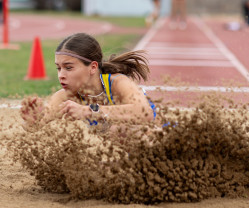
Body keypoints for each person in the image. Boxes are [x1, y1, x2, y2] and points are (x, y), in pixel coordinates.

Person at [21, 33, 156, 134]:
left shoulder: (118, 82)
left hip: (156, 139)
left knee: (117, 130)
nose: (61, 75)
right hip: (119, 155)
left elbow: (145, 114)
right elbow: (36, 127)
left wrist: (88, 111)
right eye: (58, 68)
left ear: (92, 67)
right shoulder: (64, 97)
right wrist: (31, 120)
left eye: (68, 68)